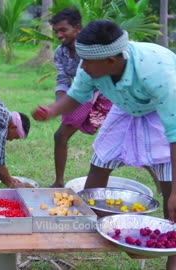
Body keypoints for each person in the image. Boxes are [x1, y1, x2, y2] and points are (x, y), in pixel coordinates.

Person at [31, 20, 176, 269]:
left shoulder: (158, 71)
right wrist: (52, 111)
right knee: (100, 161)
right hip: (125, 107)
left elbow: (174, 134)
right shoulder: (91, 63)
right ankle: (90, 230)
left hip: (161, 113)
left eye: (86, 62)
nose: (82, 67)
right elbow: (77, 95)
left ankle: (172, 256)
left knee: (171, 187)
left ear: (111, 61)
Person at [48, 8, 112, 187]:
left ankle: (163, 183)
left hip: (105, 94)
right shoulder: (60, 53)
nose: (59, 35)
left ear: (77, 28)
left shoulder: (93, 47)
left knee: (129, 140)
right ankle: (59, 182)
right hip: (81, 95)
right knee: (60, 136)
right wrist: (60, 103)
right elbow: (62, 79)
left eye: (63, 30)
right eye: (56, 32)